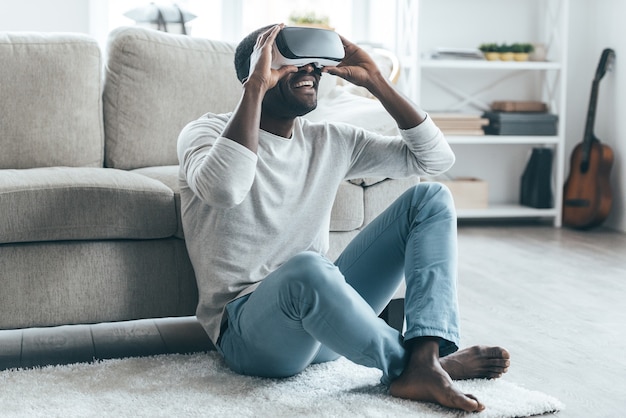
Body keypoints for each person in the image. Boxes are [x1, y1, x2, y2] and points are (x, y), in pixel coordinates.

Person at [177, 23, 510, 412]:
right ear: (254, 71)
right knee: (308, 269)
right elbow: (225, 189)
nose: (309, 71)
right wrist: (255, 87)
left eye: (314, 64)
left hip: (326, 326)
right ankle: (419, 368)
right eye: (292, 63)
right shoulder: (204, 132)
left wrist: (376, 82)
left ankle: (424, 357)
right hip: (251, 336)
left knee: (431, 199)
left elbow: (435, 161)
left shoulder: (329, 139)